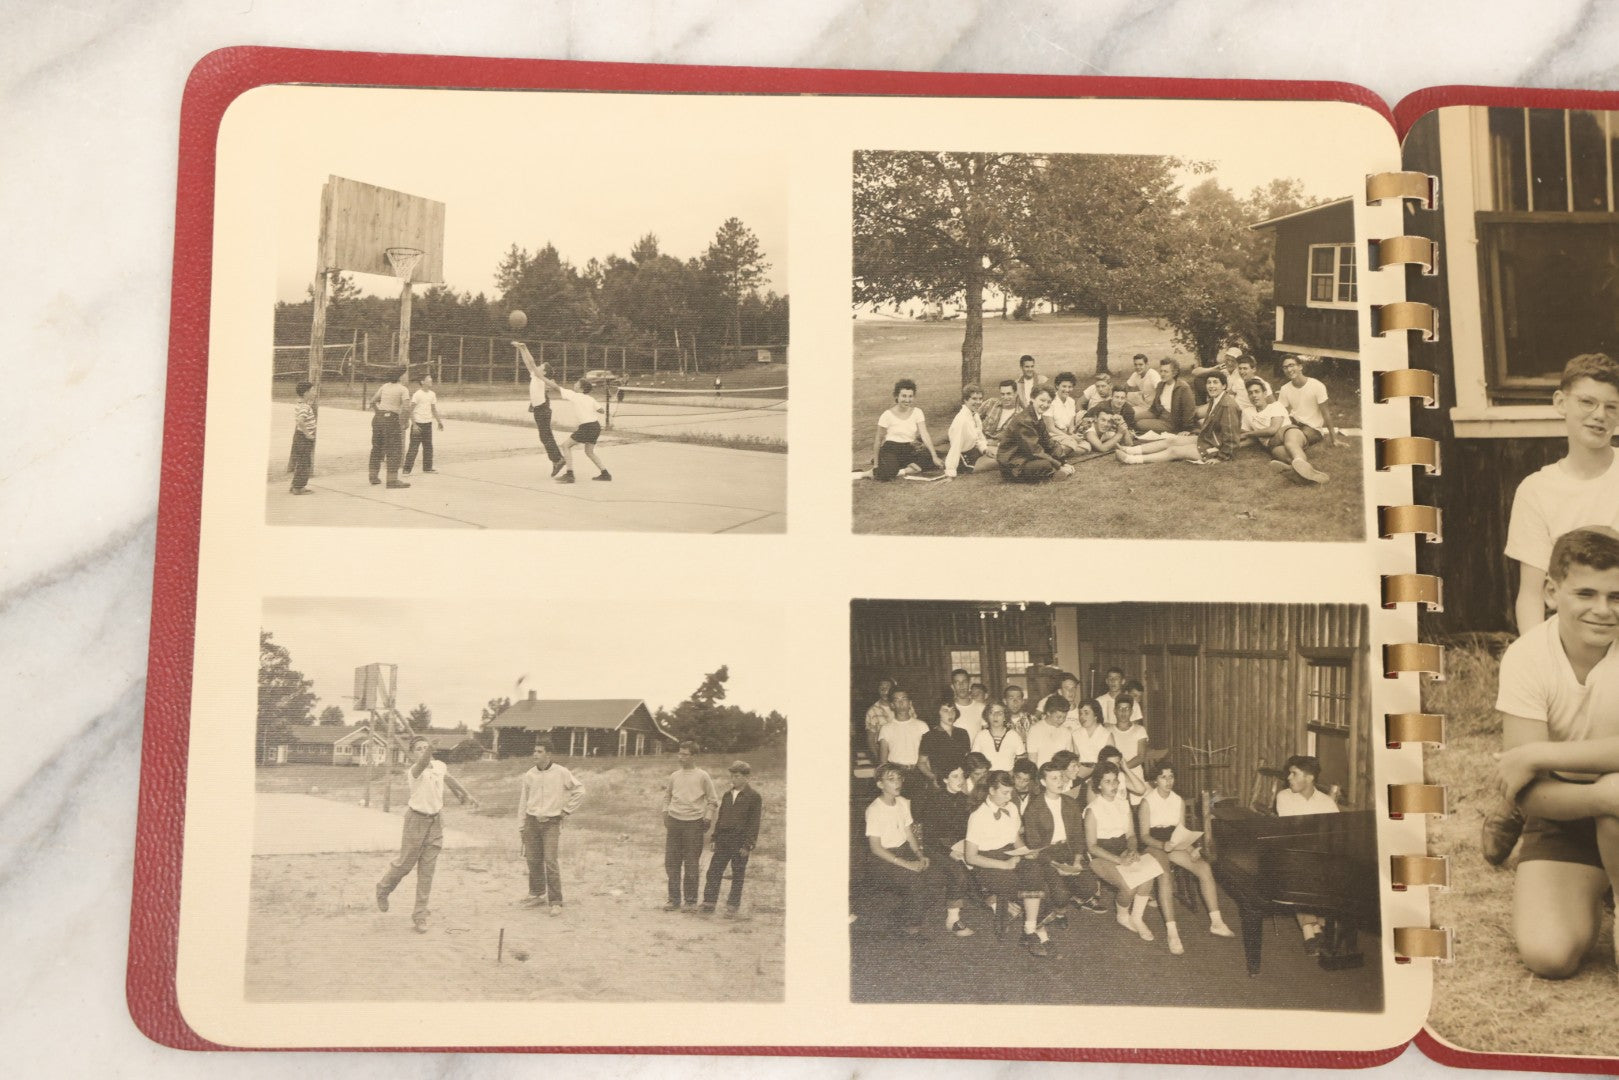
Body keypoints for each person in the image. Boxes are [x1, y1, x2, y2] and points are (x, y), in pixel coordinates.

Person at [1487, 527, 1619, 977]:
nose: (1603, 610)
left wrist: (1541, 754)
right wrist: (1603, 797)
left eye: (1617, 596)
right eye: (1586, 593)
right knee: (1549, 955)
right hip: (1566, 812)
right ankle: (1594, 882)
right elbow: (1529, 793)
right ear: (1550, 591)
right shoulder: (1527, 658)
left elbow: (1528, 764)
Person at [1505, 353, 1619, 635]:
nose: (1599, 415)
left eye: (1612, 407)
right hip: (1574, 635)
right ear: (1560, 402)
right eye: (1587, 402)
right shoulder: (1537, 491)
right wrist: (1535, 659)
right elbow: (1531, 594)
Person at [376, 736, 479, 932]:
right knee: (405, 864)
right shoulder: (414, 771)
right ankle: (383, 888)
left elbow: (450, 780)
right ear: (412, 754)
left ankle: (420, 915)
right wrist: (430, 748)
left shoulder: (439, 765)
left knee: (427, 871)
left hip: (436, 822)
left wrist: (466, 795)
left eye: (425, 748)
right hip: (416, 821)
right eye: (419, 749)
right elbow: (423, 762)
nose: (423, 751)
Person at [1139, 762, 1235, 951]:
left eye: (1171, 776)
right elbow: (1144, 836)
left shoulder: (1178, 801)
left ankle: (1216, 922)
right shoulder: (1147, 802)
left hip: (1174, 843)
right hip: (1154, 844)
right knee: (1165, 876)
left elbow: (1180, 831)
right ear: (1155, 780)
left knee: (1204, 867)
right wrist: (1162, 845)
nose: (1168, 781)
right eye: (1163, 777)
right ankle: (1172, 932)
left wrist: (1191, 847)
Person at [963, 770, 1051, 956]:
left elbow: (1014, 838)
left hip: (1010, 854)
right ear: (991, 791)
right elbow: (970, 857)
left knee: (1036, 872)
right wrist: (1004, 865)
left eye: (1010, 792)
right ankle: (1035, 931)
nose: (1009, 797)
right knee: (1028, 888)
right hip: (987, 862)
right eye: (1004, 792)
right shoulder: (978, 815)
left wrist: (1025, 852)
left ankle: (1028, 931)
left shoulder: (1011, 808)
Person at [1084, 762, 1162, 944]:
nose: (1113, 786)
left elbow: (1131, 835)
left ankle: (1137, 917)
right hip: (1100, 855)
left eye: (1115, 781)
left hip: (1123, 850)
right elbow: (1092, 846)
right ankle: (1122, 916)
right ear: (1098, 785)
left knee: (1148, 874)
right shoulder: (1092, 810)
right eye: (1107, 782)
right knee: (1129, 886)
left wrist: (1132, 850)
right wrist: (1118, 860)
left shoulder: (1123, 804)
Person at [1024, 759, 1106, 918]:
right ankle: (1059, 912)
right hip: (1046, 854)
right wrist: (1057, 866)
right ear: (1043, 782)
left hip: (1067, 850)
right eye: (1054, 778)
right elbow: (1034, 846)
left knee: (1090, 887)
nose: (1060, 781)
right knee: (1060, 895)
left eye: (1061, 777)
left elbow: (1077, 836)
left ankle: (1069, 891)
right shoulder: (1034, 808)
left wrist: (1076, 860)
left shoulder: (1070, 803)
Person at [1274, 754, 1339, 951]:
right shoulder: (1284, 797)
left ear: (1309, 778)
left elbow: (1335, 832)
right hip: (1292, 852)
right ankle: (1310, 932)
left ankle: (1318, 928)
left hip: (1318, 854)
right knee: (1302, 872)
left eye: (1294, 774)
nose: (1288, 778)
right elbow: (1294, 833)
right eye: (1289, 773)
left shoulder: (1327, 802)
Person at [516, 737, 585, 916]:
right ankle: (537, 894)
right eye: (534, 751)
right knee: (532, 859)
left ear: (548, 754)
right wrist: (521, 825)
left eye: (539, 752)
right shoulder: (529, 774)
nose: (535, 755)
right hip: (531, 822)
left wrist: (565, 811)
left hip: (551, 823)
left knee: (550, 861)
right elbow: (524, 801)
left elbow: (579, 790)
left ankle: (556, 901)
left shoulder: (561, 772)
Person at [1114, 371, 1242, 465]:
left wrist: (1221, 457)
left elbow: (1231, 436)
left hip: (1215, 448)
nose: (1211, 386)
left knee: (1174, 451)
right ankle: (1130, 450)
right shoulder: (1216, 400)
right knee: (1171, 440)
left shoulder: (1227, 405)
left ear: (1224, 386)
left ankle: (1131, 459)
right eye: (1209, 382)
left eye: (1215, 383)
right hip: (1207, 439)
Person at [859, 763, 929, 933]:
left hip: (902, 850)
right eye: (891, 779)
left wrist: (919, 854)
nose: (897, 782)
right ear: (880, 784)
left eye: (899, 778)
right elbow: (875, 848)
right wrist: (907, 864)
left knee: (931, 877)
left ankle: (898, 916)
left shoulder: (903, 803)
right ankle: (911, 929)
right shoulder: (874, 810)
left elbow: (909, 833)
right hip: (882, 859)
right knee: (915, 883)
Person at [915, 764, 977, 937]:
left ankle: (995, 904)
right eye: (955, 776)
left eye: (962, 776)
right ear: (944, 779)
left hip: (956, 844)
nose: (961, 780)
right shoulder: (935, 801)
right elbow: (929, 837)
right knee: (958, 872)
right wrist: (950, 851)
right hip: (935, 846)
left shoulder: (964, 799)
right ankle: (952, 920)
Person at [662, 741, 719, 912]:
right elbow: (667, 796)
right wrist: (665, 812)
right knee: (671, 863)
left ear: (693, 756)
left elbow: (713, 801)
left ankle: (691, 901)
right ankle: (673, 899)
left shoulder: (702, 776)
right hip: (674, 822)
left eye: (685, 754)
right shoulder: (674, 776)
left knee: (691, 863)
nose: (681, 757)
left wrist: (707, 818)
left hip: (693, 824)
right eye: (679, 753)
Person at [702, 761, 762, 917]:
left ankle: (732, 906)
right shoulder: (727, 795)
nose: (733, 779)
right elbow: (721, 818)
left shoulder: (754, 797)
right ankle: (709, 903)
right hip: (723, 839)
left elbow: (754, 822)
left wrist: (748, 845)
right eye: (732, 776)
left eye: (737, 776)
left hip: (740, 841)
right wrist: (714, 837)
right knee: (714, 871)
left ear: (746, 777)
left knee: (738, 874)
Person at [998, 386, 1075, 483]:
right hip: (1012, 464)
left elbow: (1048, 441)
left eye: (1048, 402)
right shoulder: (1024, 420)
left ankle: (1053, 473)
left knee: (1051, 457)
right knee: (1045, 464)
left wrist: (1063, 461)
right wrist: (1058, 465)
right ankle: (1053, 474)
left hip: (1024, 458)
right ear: (1032, 398)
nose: (1045, 404)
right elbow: (1034, 451)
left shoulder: (1037, 416)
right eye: (1042, 400)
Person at [869, 378, 942, 480]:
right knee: (886, 474)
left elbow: (924, 434)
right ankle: (868, 472)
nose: (907, 400)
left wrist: (934, 456)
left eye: (910, 396)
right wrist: (876, 465)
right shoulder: (887, 415)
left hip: (908, 449)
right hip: (891, 449)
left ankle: (898, 469)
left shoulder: (917, 412)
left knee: (930, 457)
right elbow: (878, 440)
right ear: (896, 396)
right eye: (904, 396)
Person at [514, 342, 567, 477]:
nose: (537, 366)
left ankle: (558, 459)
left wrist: (525, 348)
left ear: (543, 372)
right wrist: (521, 350)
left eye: (540, 366)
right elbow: (528, 363)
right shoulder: (535, 376)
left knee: (545, 436)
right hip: (539, 410)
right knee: (544, 436)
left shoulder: (539, 377)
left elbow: (531, 363)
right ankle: (556, 460)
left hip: (543, 409)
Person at [1276, 354, 1344, 456]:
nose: (1289, 369)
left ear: (1300, 366)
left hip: (1313, 428)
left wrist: (1334, 439)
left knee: (1293, 440)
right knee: (1278, 440)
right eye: (1285, 367)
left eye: (1292, 365)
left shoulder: (1317, 386)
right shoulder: (1284, 389)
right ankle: (1291, 459)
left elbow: (1326, 414)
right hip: (1294, 423)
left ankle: (1294, 458)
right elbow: (1281, 414)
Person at [550, 376, 612, 484]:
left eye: (577, 383)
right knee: (589, 452)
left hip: (587, 427)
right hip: (596, 426)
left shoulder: (575, 396)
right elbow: (601, 410)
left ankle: (570, 475)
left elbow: (556, 387)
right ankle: (605, 473)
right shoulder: (590, 398)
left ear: (581, 389)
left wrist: (544, 379)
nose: (575, 384)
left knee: (565, 446)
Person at [877, 690, 929, 797]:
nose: (901, 703)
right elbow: (883, 761)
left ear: (910, 703)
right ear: (892, 705)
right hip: (897, 774)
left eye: (904, 699)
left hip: (918, 772)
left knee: (918, 809)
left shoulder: (922, 726)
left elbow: (928, 756)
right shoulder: (886, 728)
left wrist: (930, 776)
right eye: (897, 700)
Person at [367, 365, 412, 488]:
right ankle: (392, 481)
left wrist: (379, 413)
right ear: (401, 377)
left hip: (378, 419)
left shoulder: (384, 386)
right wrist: (405, 422)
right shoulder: (403, 389)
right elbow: (407, 408)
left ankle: (373, 477)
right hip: (391, 419)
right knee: (394, 449)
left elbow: (372, 401)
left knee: (377, 448)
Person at [1135, 357, 1196, 436]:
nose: (1162, 374)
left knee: (1140, 424)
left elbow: (1189, 410)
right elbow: (1154, 408)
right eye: (1161, 371)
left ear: (1174, 373)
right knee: (1132, 417)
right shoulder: (1161, 385)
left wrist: (1187, 429)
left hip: (1172, 422)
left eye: (1166, 371)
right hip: (1158, 413)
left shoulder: (1183, 388)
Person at [919, 701, 972, 786]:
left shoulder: (962, 733)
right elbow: (921, 762)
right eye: (945, 710)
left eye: (952, 710)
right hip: (941, 782)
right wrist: (933, 777)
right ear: (938, 713)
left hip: (960, 781)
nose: (950, 714)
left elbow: (967, 758)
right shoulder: (929, 736)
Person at [943, 384, 991, 477]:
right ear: (965, 400)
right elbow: (955, 446)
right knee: (999, 461)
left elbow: (979, 437)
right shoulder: (962, 420)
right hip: (964, 460)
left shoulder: (975, 415)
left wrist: (985, 450)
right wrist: (950, 471)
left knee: (997, 454)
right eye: (974, 399)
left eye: (980, 399)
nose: (978, 402)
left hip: (974, 453)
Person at [402, 373, 444, 475]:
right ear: (422, 382)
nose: (431, 380)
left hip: (428, 424)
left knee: (428, 447)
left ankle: (427, 468)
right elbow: (410, 410)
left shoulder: (432, 394)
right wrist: (415, 425)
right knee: (414, 447)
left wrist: (439, 422)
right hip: (418, 425)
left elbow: (433, 410)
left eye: (431, 378)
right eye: (428, 379)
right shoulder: (417, 394)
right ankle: (406, 470)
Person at [1043, 372, 1089, 458]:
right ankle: (1059, 451)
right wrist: (1069, 437)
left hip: (1065, 436)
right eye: (1064, 386)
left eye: (1070, 387)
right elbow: (1050, 428)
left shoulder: (1071, 401)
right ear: (1057, 386)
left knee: (1087, 446)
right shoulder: (1050, 401)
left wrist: (1074, 435)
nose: (1067, 390)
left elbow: (1071, 427)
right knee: (1072, 443)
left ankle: (1060, 452)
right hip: (1052, 435)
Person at [973, 702, 1027, 772]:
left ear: (1005, 717)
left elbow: (1022, 760)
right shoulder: (981, 735)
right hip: (987, 777)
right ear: (987, 716)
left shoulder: (1013, 735)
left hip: (1007, 777)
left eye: (1000, 713)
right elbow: (974, 759)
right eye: (991, 713)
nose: (995, 716)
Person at [1025, 694, 1076, 768]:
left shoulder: (1066, 732)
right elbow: (1032, 762)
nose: (1061, 720)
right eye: (1058, 717)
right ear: (1048, 712)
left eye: (1064, 717)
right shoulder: (1035, 730)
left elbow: (1068, 761)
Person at [1083, 385, 1137, 453]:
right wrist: (1119, 434)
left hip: (1107, 429)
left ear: (1126, 399)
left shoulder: (1129, 410)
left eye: (1122, 398)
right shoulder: (1101, 407)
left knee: (1125, 435)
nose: (1119, 401)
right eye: (1117, 397)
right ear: (1111, 397)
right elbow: (1086, 419)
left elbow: (1129, 443)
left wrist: (1122, 424)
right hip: (1090, 425)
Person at [289, 379, 317, 495]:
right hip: (304, 438)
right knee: (305, 462)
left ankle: (295, 484)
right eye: (312, 390)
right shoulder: (305, 407)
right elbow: (300, 421)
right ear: (306, 393)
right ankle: (298, 488)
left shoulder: (301, 404)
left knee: (301, 461)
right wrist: (308, 434)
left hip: (299, 437)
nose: (314, 392)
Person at [979, 379, 1023, 450]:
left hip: (1000, 448)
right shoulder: (991, 403)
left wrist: (994, 443)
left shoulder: (1020, 415)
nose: (1005, 397)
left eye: (1009, 394)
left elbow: (1016, 441)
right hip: (979, 442)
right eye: (1002, 394)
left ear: (1015, 393)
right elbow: (973, 416)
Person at [863, 677, 897, 762]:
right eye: (881, 688)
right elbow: (871, 740)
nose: (884, 691)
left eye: (888, 688)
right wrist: (881, 762)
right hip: (885, 757)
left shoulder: (905, 707)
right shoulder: (872, 711)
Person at [949, 667, 986, 742]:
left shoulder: (981, 708)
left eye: (964, 682)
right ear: (953, 687)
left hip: (976, 752)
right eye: (957, 682)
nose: (961, 685)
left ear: (969, 684)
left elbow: (988, 734)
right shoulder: (947, 709)